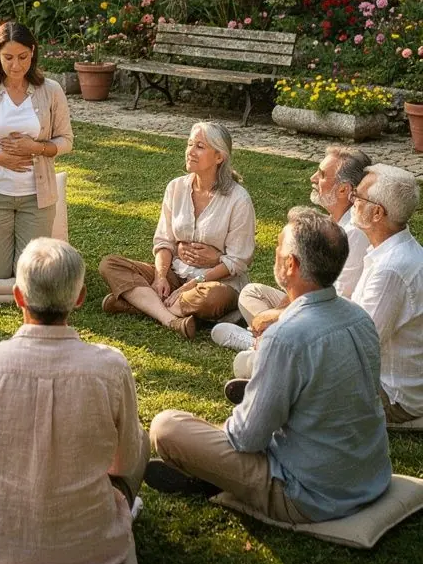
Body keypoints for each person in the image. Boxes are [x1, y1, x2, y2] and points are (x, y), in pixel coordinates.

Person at [0, 238, 150, 564]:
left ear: (18, 297)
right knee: (139, 438)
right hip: (92, 545)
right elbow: (124, 464)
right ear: (81, 297)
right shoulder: (112, 367)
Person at [146, 208, 392, 522]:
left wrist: (224, 429)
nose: (273, 253)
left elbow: (247, 439)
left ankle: (209, 474)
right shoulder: (360, 318)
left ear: (291, 265)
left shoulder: (286, 336)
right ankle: (212, 470)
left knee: (167, 428)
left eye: (277, 247)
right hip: (369, 475)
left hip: (310, 494)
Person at [212, 146, 371, 366]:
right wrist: (279, 310)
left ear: (344, 190)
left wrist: (277, 315)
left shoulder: (352, 234)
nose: (313, 177)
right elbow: (304, 282)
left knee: (247, 347)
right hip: (311, 305)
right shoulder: (332, 221)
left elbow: (331, 301)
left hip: (326, 317)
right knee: (250, 293)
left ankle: (266, 347)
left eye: (322, 174)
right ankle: (264, 343)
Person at [99, 121, 256, 338]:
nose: (190, 152)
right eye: (190, 144)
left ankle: (140, 305)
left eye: (200, 146)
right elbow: (164, 241)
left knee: (212, 298)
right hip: (175, 272)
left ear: (219, 157)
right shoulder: (176, 187)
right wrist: (161, 277)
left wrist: (193, 283)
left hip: (213, 283)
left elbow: (238, 261)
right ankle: (171, 318)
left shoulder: (238, 199)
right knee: (111, 264)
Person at [0, 21, 73, 283]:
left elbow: (66, 140)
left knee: (28, 275)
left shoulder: (50, 90)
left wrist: (37, 148)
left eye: (23, 57)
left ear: (33, 52)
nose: (16, 65)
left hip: (36, 197)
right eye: (8, 58)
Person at [349, 164, 423, 424]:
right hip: (383, 379)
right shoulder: (391, 252)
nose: (352, 202)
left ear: (377, 213)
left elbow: (361, 343)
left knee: (290, 362)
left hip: (392, 397)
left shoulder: (392, 268)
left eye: (358, 197)